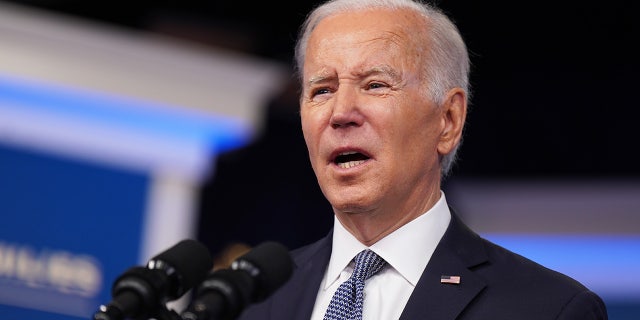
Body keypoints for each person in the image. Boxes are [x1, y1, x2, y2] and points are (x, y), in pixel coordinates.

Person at [236, 0, 608, 319]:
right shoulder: (254, 299)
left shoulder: (548, 309)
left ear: (448, 121)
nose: (340, 112)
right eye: (322, 90)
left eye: (375, 85)